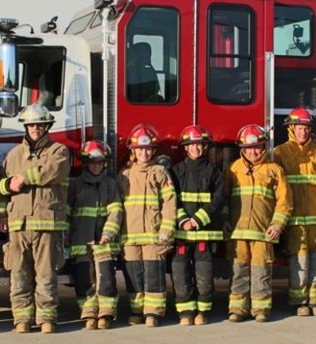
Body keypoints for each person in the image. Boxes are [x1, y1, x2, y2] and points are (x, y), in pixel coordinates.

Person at [0, 104, 71, 334]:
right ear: (26, 127)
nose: (36, 128)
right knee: (19, 272)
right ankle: (22, 319)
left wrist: (23, 178)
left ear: (47, 125)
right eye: (32, 124)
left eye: (40, 124)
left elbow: (52, 171)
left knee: (46, 273)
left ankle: (46, 318)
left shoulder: (59, 151)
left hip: (47, 223)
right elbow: (2, 188)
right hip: (18, 223)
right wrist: (1, 213)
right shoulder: (13, 155)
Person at [226, 124, 292, 322]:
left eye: (257, 147)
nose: (253, 152)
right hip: (237, 232)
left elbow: (285, 201)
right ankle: (237, 309)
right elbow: (225, 198)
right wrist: (225, 221)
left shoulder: (274, 170)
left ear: (264, 147)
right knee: (238, 271)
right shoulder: (233, 169)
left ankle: (261, 309)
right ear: (242, 149)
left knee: (261, 271)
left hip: (263, 232)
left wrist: (277, 225)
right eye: (249, 148)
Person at [273, 107, 316, 317]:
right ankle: (299, 302)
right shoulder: (280, 153)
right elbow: (277, 188)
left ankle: (315, 300)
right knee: (298, 262)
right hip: (294, 220)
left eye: (306, 128)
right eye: (299, 128)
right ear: (291, 128)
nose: (302, 132)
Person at [118, 124, 177, 327]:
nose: (144, 152)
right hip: (129, 237)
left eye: (148, 149)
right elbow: (117, 206)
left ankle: (153, 312)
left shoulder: (160, 172)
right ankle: (136, 310)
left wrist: (166, 230)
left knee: (154, 274)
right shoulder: (124, 175)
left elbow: (169, 203)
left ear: (153, 150)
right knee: (133, 275)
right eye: (140, 149)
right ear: (133, 151)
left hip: (154, 235)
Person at [170, 125, 225, 326]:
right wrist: (183, 219)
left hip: (204, 234)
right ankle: (185, 312)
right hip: (182, 234)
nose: (196, 149)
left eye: (200, 145)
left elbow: (218, 200)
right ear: (186, 148)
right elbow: (170, 199)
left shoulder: (214, 172)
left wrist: (198, 219)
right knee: (180, 271)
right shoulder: (176, 172)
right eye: (192, 145)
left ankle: (202, 311)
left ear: (205, 147)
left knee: (204, 272)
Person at [68, 140, 123, 330]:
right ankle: (89, 314)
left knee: (106, 277)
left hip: (104, 241)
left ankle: (106, 314)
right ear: (85, 163)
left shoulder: (110, 184)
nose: (96, 166)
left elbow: (116, 211)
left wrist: (109, 232)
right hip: (80, 241)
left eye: (100, 162)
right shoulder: (75, 185)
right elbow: (66, 212)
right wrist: (66, 235)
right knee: (84, 279)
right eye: (92, 162)